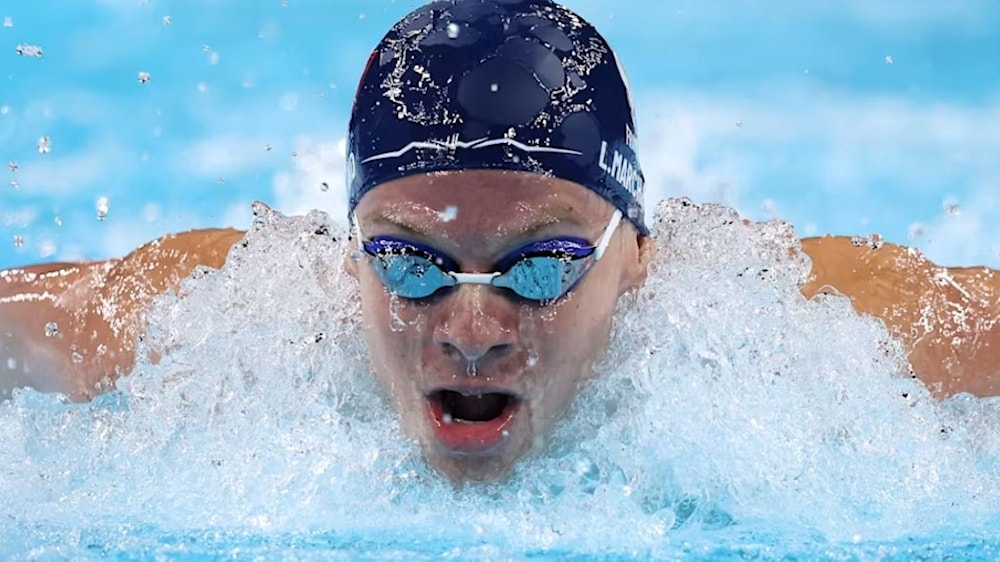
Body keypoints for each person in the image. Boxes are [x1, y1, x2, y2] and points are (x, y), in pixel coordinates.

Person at [0, 0, 997, 482]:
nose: (471, 327)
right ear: (348, 255)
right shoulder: (220, 330)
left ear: (636, 256)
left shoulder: (804, 330)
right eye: (407, 262)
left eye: (539, 266)